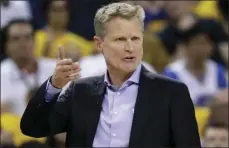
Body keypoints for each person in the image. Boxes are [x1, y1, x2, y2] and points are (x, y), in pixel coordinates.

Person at [20, 3, 201, 147]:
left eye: (135, 39)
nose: (130, 48)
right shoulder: (80, 91)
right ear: (99, 44)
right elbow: (32, 127)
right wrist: (54, 85)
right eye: (120, 39)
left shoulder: (172, 93)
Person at [1, 19, 56, 115]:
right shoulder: (2, 75)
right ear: (6, 46)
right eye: (16, 39)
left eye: (27, 37)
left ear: (34, 42)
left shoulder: (54, 68)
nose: (23, 44)